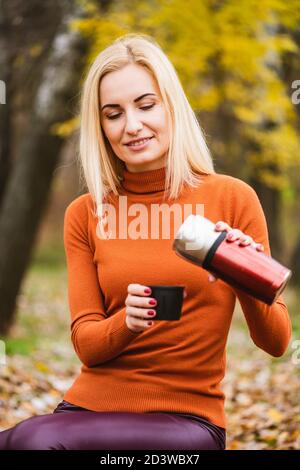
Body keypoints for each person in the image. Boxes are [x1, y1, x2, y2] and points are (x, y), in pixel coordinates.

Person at [0, 33, 291, 451]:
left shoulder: (231, 198)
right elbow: (87, 346)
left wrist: (244, 270)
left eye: (146, 105)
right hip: (86, 410)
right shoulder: (85, 213)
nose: (131, 126)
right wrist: (127, 323)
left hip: (187, 419)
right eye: (113, 114)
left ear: (171, 106)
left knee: (32, 440)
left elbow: (277, 342)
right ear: (99, 126)